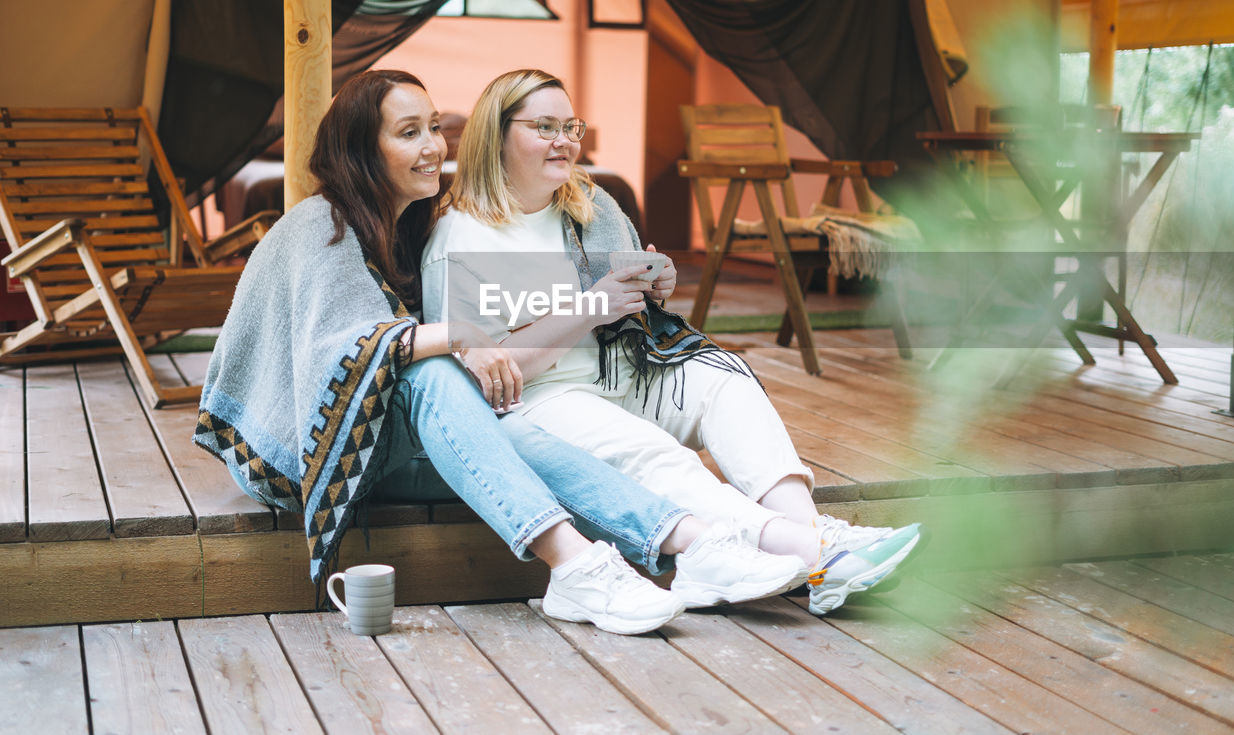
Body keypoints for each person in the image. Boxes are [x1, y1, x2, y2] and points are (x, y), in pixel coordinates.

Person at [194, 69, 812, 636]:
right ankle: (575, 563)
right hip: (304, 450)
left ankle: (694, 543)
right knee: (435, 376)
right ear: (361, 150)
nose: (434, 146)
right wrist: (460, 334)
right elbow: (337, 353)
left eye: (435, 128)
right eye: (409, 133)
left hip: (395, 440)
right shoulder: (316, 225)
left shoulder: (410, 223)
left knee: (507, 430)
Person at [423, 68, 926, 616]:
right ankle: (814, 551)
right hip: (543, 399)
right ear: (495, 135)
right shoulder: (461, 236)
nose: (564, 140)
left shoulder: (592, 206)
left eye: (572, 126)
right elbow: (497, 368)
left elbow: (626, 297)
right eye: (544, 126)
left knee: (723, 379)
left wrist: (652, 279)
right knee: (656, 454)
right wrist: (596, 304)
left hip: (623, 368)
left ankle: (813, 537)